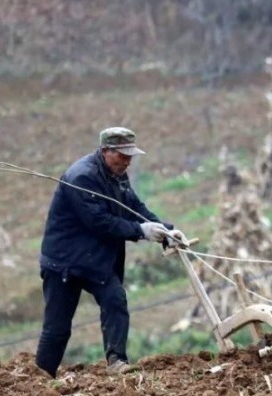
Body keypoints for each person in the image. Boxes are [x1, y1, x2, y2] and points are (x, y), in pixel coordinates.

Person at [34, 127, 182, 378]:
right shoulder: (82, 178)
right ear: (105, 151)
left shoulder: (117, 174)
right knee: (57, 329)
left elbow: (133, 206)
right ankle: (41, 377)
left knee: (115, 299)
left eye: (130, 156)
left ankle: (117, 362)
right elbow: (100, 222)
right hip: (64, 262)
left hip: (94, 260)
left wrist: (167, 231)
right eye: (121, 155)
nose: (127, 161)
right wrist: (141, 231)